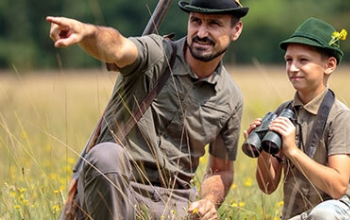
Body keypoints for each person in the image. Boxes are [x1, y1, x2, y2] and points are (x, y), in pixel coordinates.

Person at [47, 0, 249, 219]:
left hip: (175, 202)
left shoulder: (231, 97)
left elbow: (221, 170)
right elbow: (117, 47)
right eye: (195, 21)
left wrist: (209, 202)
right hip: (120, 192)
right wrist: (86, 32)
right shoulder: (157, 53)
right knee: (105, 156)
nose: (201, 32)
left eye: (213, 24)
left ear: (236, 30)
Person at [243, 17, 350, 219]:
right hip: (298, 215)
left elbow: (338, 187)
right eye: (288, 60)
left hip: (337, 211)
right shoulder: (283, 111)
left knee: (322, 215)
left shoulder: (340, 116)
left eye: (303, 60)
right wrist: (263, 152)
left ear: (329, 65)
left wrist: (292, 151)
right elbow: (267, 186)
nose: (292, 68)